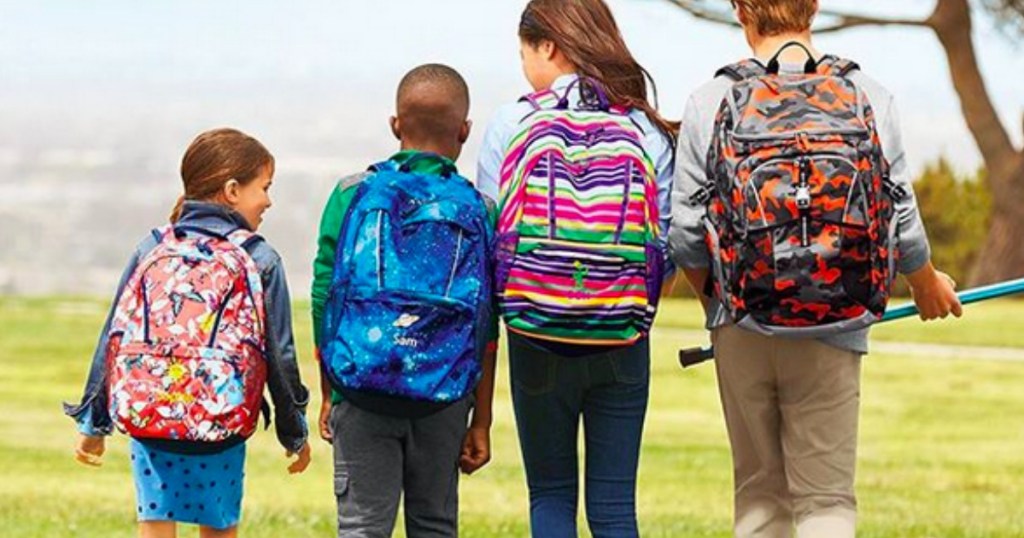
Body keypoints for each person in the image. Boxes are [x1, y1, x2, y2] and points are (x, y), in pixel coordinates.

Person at [668, 1, 963, 537]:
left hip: (742, 323)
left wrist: (722, 300)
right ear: (815, 6)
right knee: (826, 500)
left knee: (760, 498)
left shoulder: (711, 100)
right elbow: (901, 215)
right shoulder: (866, 95)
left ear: (739, 11)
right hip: (838, 322)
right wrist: (926, 285)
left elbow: (685, 236)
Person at [476, 1, 678, 536]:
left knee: (550, 496)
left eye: (525, 52)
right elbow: (666, 243)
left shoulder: (512, 122)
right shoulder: (644, 128)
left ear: (548, 46)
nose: (524, 66)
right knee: (614, 508)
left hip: (535, 334)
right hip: (622, 337)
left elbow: (490, 240)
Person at [65, 127, 311, 538]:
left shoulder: (152, 247)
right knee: (218, 527)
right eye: (264, 187)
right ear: (232, 190)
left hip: (150, 421)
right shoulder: (259, 258)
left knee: (156, 528)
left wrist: (93, 425)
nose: (268, 200)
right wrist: (293, 432)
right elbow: (280, 358)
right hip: (220, 425)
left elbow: (114, 337)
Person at [311, 63, 498, 538]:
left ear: (395, 125)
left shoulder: (352, 193)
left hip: (361, 388)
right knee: (434, 526)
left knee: (361, 528)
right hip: (444, 397)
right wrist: (482, 418)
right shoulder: (480, 208)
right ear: (465, 129)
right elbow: (486, 323)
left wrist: (331, 391)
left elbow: (323, 297)